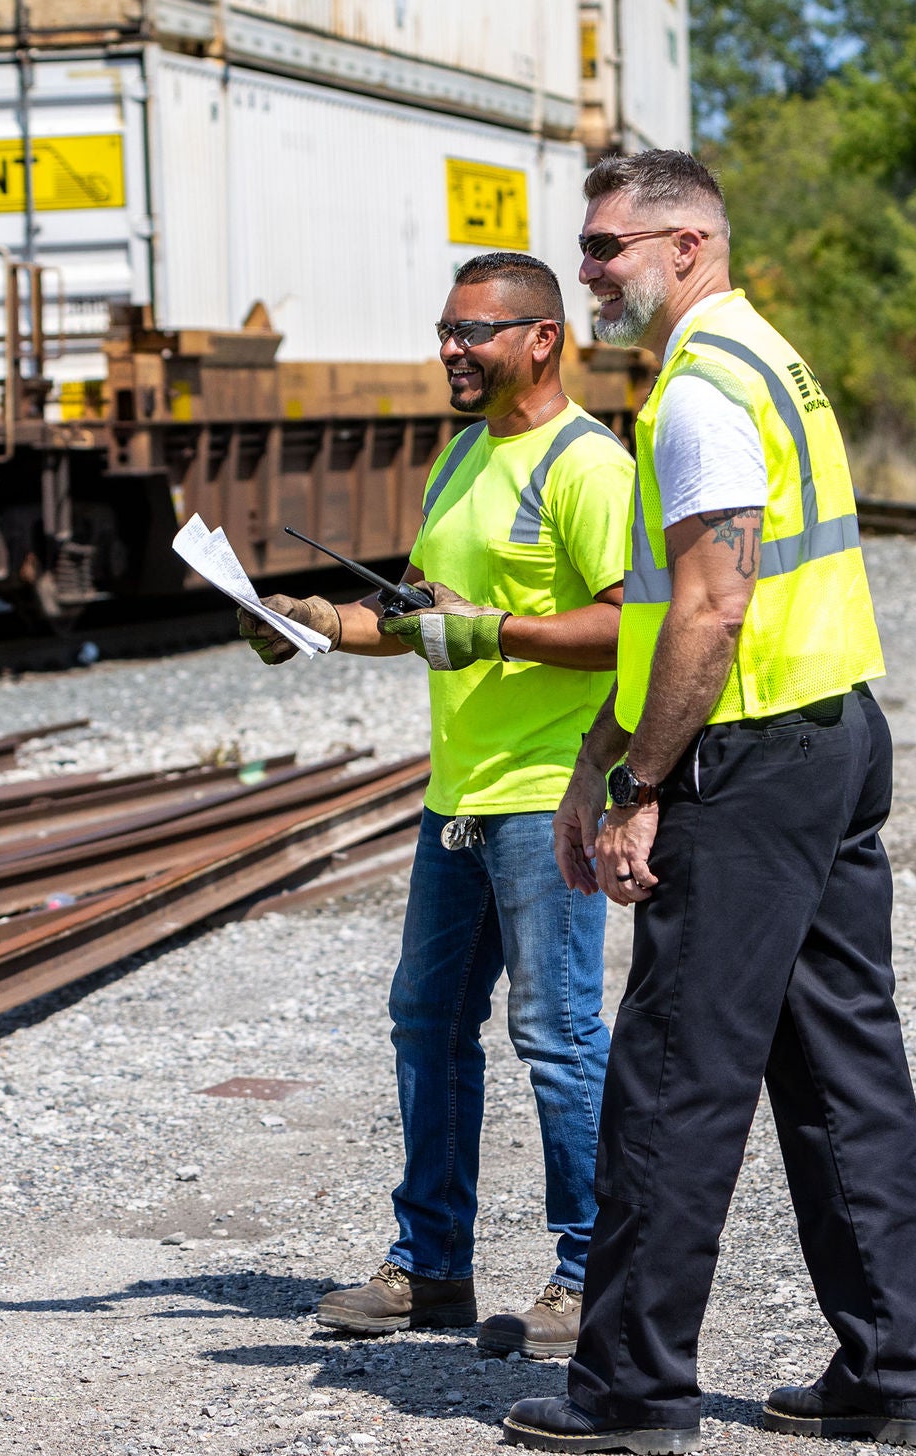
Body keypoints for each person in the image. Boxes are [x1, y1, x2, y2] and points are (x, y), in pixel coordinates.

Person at [502, 150, 916, 1456]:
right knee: (840, 1069)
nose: (586, 271)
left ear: (687, 246)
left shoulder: (699, 392)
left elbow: (712, 603)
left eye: (606, 247)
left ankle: (632, 1390)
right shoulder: (767, 359)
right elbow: (664, 610)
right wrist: (601, 747)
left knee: (670, 1075)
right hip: (829, 733)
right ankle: (890, 1372)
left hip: (747, 755)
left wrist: (640, 784)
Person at [239, 251, 634, 1358]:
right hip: (455, 795)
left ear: (543, 338)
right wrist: (313, 619)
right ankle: (432, 1267)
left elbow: (627, 624)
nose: (451, 350)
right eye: (447, 330)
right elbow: (419, 617)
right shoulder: (460, 456)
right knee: (427, 1025)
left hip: (547, 792)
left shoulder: (588, 466)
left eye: (475, 333)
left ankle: (591, 1267)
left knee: (555, 1033)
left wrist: (495, 628)